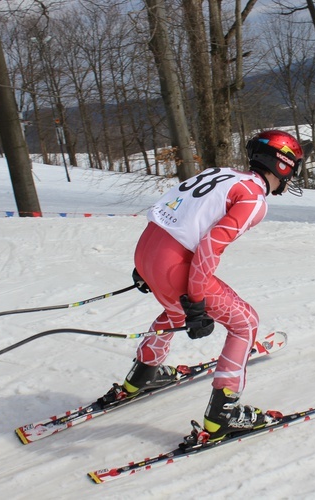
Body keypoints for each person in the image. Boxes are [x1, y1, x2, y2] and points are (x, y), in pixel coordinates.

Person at [108, 130, 304, 441]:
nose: (292, 177)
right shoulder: (254, 198)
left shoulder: (220, 172)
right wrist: (197, 301)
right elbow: (210, 248)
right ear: (282, 165)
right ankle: (222, 415)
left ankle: (140, 377)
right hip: (173, 264)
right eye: (293, 168)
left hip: (148, 251)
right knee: (245, 322)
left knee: (175, 311)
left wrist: (146, 267)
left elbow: (170, 209)